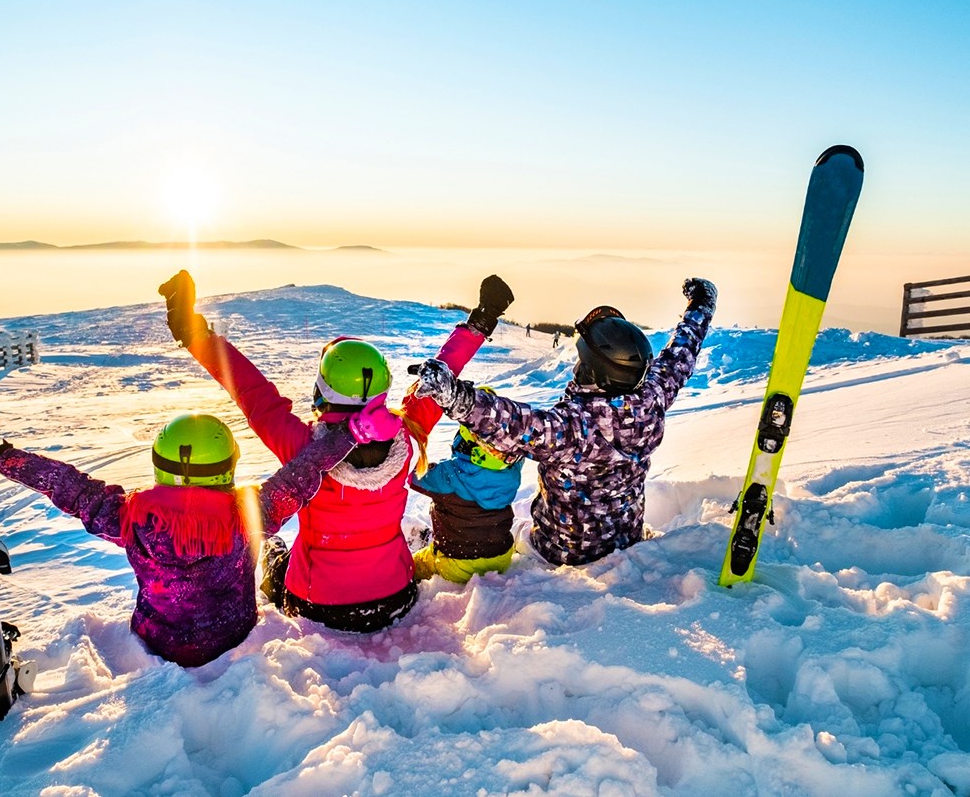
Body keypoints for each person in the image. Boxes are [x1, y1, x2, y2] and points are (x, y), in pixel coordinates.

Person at [159, 270, 514, 632]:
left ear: (323, 389)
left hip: (318, 604)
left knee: (275, 558)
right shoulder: (406, 436)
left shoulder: (302, 448)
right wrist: (482, 320)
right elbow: (441, 376)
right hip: (395, 596)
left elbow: (251, 391)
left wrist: (194, 333)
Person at [0, 407, 394, 666]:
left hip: (159, 643)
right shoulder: (248, 515)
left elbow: (65, 484)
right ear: (227, 467)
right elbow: (303, 473)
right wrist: (351, 434)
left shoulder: (130, 517)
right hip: (234, 637)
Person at [411, 278, 716, 567]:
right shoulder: (652, 397)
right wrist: (700, 306)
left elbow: (511, 423)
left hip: (562, 551)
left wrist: (453, 395)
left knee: (510, 537)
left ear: (593, 371)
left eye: (582, 360)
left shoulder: (572, 428)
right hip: (626, 537)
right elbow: (680, 356)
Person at [410, 385, 524, 584]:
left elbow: (413, 475)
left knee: (414, 565)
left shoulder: (449, 475)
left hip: (457, 564)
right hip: (501, 556)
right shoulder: (511, 470)